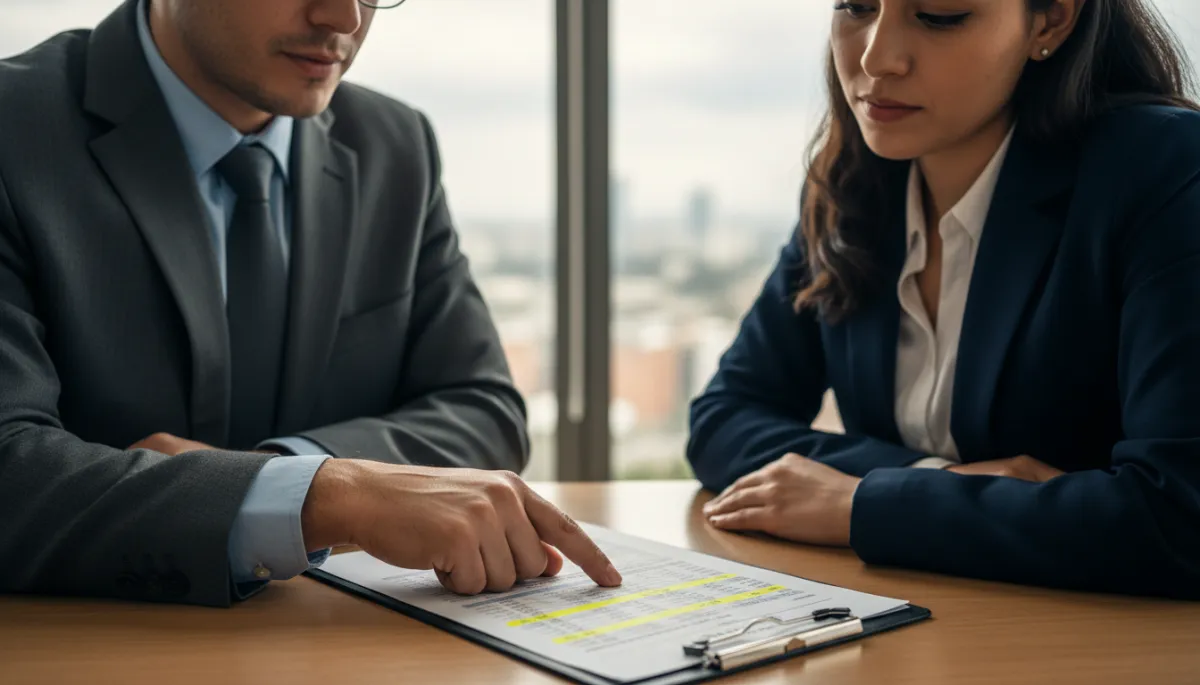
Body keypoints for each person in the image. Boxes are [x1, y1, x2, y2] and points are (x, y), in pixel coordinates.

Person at [0, 0, 621, 607]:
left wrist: (294, 478)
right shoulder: (16, 128)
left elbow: (484, 411)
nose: (344, 18)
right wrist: (326, 498)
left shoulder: (395, 145)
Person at [689, 0, 1200, 599]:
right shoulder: (854, 183)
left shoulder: (1163, 169)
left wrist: (861, 503)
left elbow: (1179, 517)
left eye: (939, 15)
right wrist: (933, 481)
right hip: (916, 620)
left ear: (1051, 21)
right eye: (855, 7)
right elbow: (724, 420)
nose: (877, 58)